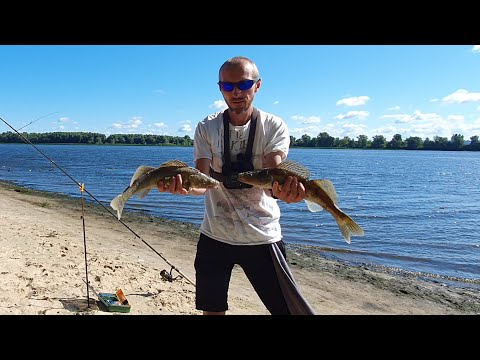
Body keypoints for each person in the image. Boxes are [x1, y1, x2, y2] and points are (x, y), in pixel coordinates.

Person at [157, 56, 314, 315]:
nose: (236, 93)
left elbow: (273, 178)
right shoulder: (207, 127)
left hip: (262, 236)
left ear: (258, 85)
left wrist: (287, 193)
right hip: (214, 235)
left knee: (288, 310)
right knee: (212, 310)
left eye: (244, 84)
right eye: (228, 87)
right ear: (220, 88)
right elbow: (201, 182)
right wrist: (182, 188)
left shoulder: (273, 126)